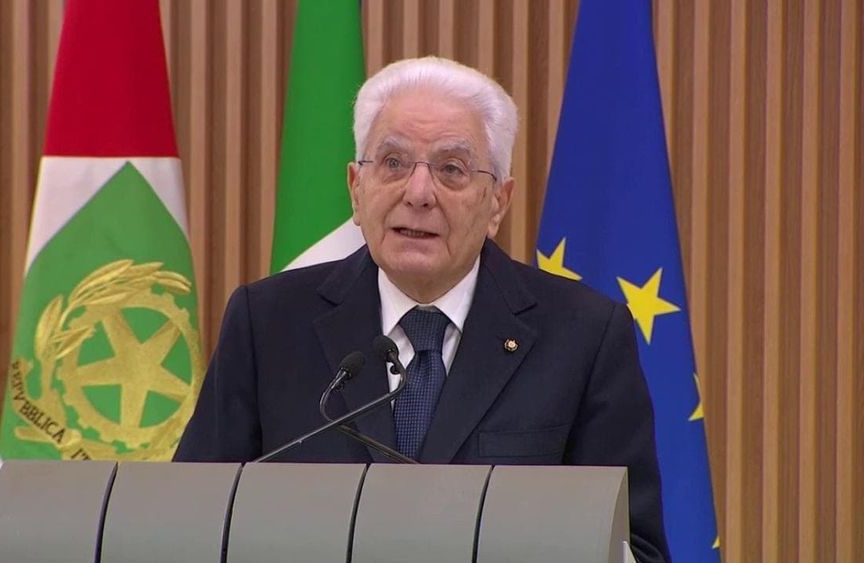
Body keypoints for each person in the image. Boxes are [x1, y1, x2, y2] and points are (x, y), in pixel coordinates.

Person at [174, 56, 669, 562]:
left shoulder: (583, 336)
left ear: (497, 202)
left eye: (451, 169)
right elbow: (189, 525)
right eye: (393, 163)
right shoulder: (270, 325)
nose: (418, 194)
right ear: (356, 189)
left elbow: (636, 548)